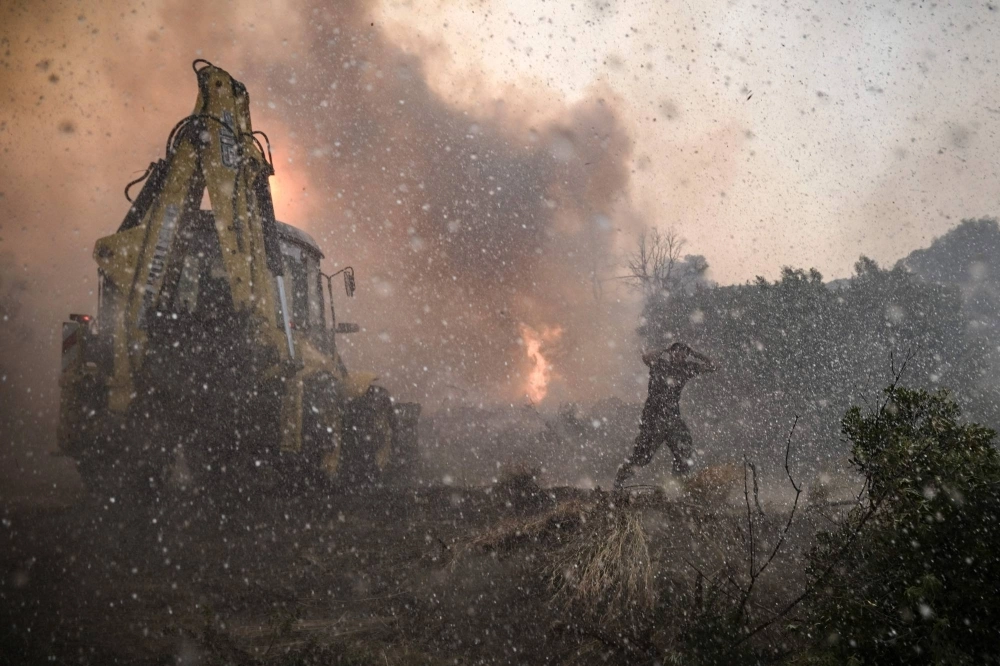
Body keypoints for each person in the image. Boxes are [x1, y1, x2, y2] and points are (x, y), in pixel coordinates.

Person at [614, 342, 717, 489]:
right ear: (671, 353)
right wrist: (664, 349)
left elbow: (714, 365)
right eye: (676, 352)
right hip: (653, 416)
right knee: (642, 457)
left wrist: (695, 353)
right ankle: (619, 481)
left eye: (683, 354)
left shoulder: (686, 369)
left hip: (672, 416)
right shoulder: (659, 364)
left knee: (684, 447)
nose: (679, 356)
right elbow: (646, 357)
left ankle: (678, 487)